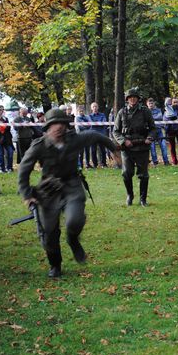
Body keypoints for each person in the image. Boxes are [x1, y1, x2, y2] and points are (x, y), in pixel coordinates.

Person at [18, 108, 118, 278]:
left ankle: (73, 240)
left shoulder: (75, 140)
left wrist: (114, 149)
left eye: (61, 124)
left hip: (72, 185)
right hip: (48, 191)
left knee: (75, 219)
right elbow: (24, 170)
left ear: (66, 126)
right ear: (47, 128)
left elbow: (96, 135)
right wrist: (27, 195)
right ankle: (55, 265)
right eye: (53, 124)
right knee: (49, 233)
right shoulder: (39, 145)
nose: (57, 128)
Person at [113, 88, 157, 207]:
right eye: (130, 97)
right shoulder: (122, 112)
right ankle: (130, 195)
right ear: (127, 99)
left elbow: (153, 128)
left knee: (143, 175)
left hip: (142, 146)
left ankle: (143, 199)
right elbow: (116, 131)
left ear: (138, 99)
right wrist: (123, 141)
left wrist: (149, 138)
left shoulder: (145, 111)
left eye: (134, 97)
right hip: (127, 148)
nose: (132, 99)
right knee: (126, 173)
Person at [146, 98, 169, 166]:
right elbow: (146, 120)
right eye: (149, 103)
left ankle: (166, 161)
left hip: (159, 130)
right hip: (150, 131)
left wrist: (150, 119)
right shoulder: (146, 111)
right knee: (152, 147)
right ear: (147, 104)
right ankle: (155, 162)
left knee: (163, 146)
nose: (151, 105)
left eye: (152, 103)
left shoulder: (158, 110)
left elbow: (159, 117)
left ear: (154, 104)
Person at [88, 102, 108, 167]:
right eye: (93, 106)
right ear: (91, 108)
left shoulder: (102, 115)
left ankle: (104, 164)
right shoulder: (89, 116)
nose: (95, 108)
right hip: (93, 135)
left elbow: (104, 123)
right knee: (93, 150)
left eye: (96, 106)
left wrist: (96, 124)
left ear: (98, 107)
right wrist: (99, 124)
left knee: (103, 150)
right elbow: (91, 124)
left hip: (101, 135)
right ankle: (95, 164)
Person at [163, 97, 178, 165]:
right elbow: (165, 120)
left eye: (177, 102)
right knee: (172, 147)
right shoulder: (167, 110)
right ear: (171, 103)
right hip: (170, 131)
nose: (175, 103)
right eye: (174, 102)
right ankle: (174, 161)